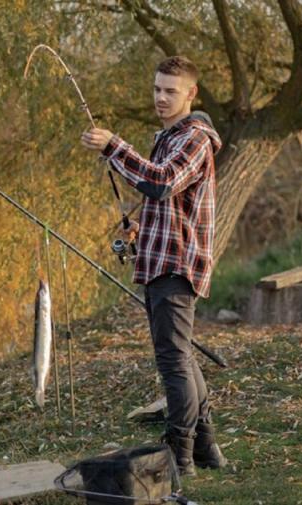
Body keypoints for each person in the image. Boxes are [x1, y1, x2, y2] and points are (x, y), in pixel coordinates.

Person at [80, 55, 227, 476]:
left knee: (173, 360)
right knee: (181, 356)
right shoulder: (169, 136)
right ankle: (205, 447)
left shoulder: (195, 138)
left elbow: (161, 182)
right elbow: (167, 201)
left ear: (191, 94)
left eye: (171, 91)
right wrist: (138, 226)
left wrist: (113, 146)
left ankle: (179, 455)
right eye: (157, 89)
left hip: (177, 265)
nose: (161, 98)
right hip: (161, 258)